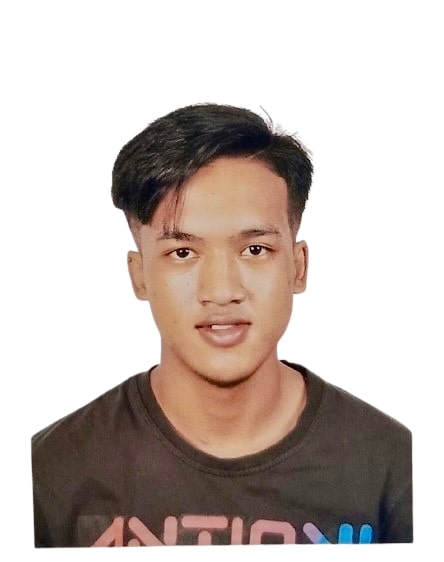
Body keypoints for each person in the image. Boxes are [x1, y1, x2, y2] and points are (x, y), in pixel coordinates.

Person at [31, 104, 412, 547]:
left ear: (299, 266)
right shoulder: (49, 472)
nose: (221, 291)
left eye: (255, 250)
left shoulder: (397, 470)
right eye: (182, 253)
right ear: (139, 276)